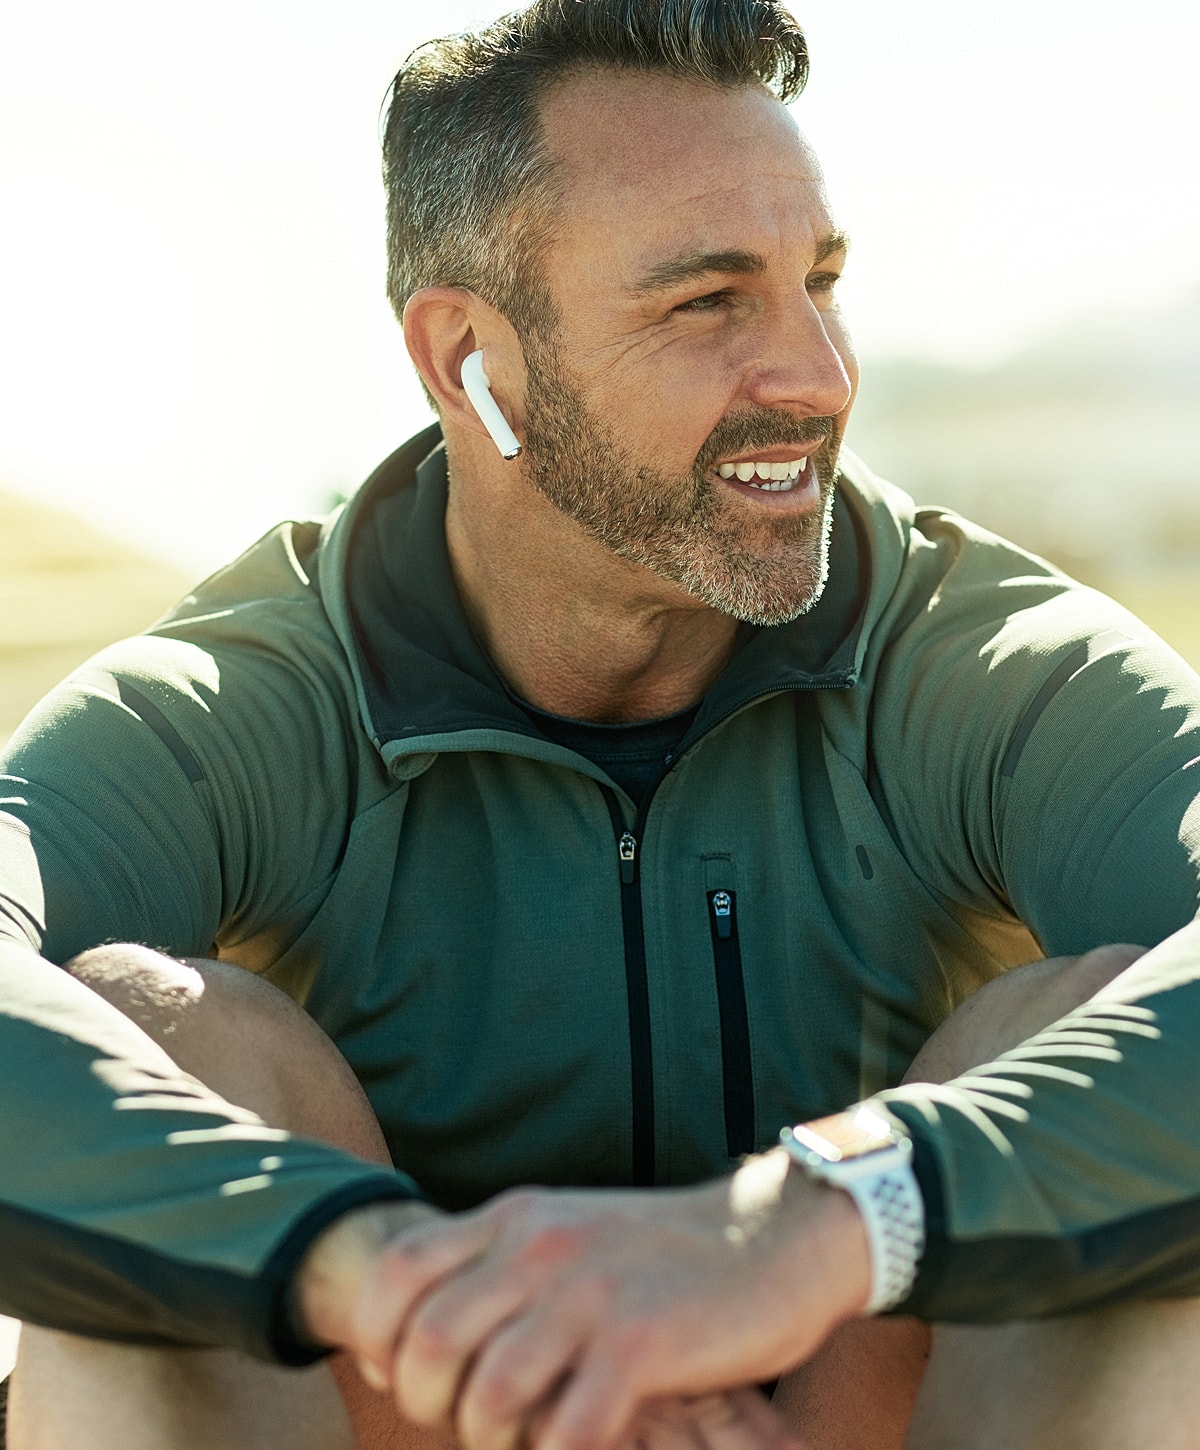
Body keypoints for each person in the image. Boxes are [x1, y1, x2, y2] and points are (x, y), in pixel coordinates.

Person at [3, 2, 1200, 1447]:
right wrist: (381, 1272)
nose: (820, 374)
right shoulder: (245, 700)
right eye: (708, 302)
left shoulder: (982, 662)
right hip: (421, 1409)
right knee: (158, 1028)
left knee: (1082, 1023)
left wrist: (822, 1220)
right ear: (468, 358)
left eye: (820, 281)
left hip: (851, 1419)